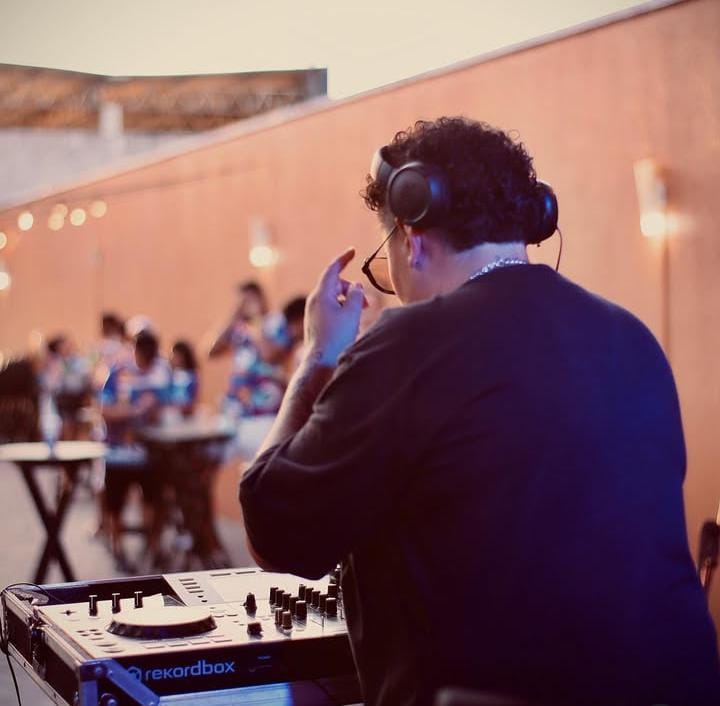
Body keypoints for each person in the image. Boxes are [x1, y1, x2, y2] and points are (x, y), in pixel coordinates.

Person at [239, 117, 720, 706]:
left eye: (386, 259)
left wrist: (317, 357)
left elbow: (274, 531)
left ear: (411, 234)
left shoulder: (410, 342)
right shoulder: (632, 337)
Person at [100, 330, 171, 569]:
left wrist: (155, 410)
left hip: (149, 455)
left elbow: (168, 406)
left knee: (154, 500)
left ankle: (153, 546)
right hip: (118, 454)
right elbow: (105, 410)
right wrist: (136, 410)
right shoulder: (119, 373)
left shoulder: (160, 373)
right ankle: (118, 549)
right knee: (116, 504)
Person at [209, 281, 297, 458]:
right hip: (235, 410)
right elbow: (212, 352)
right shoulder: (238, 326)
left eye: (249, 299)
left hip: (264, 411)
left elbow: (270, 354)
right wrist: (233, 316)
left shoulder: (276, 322)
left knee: (262, 461)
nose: (245, 304)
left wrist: (256, 323)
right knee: (210, 456)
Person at [168, 339, 199, 417]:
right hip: (173, 413)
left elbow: (191, 399)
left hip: (185, 416)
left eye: (174, 355)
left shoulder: (191, 376)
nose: (171, 358)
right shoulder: (172, 375)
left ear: (182, 356)